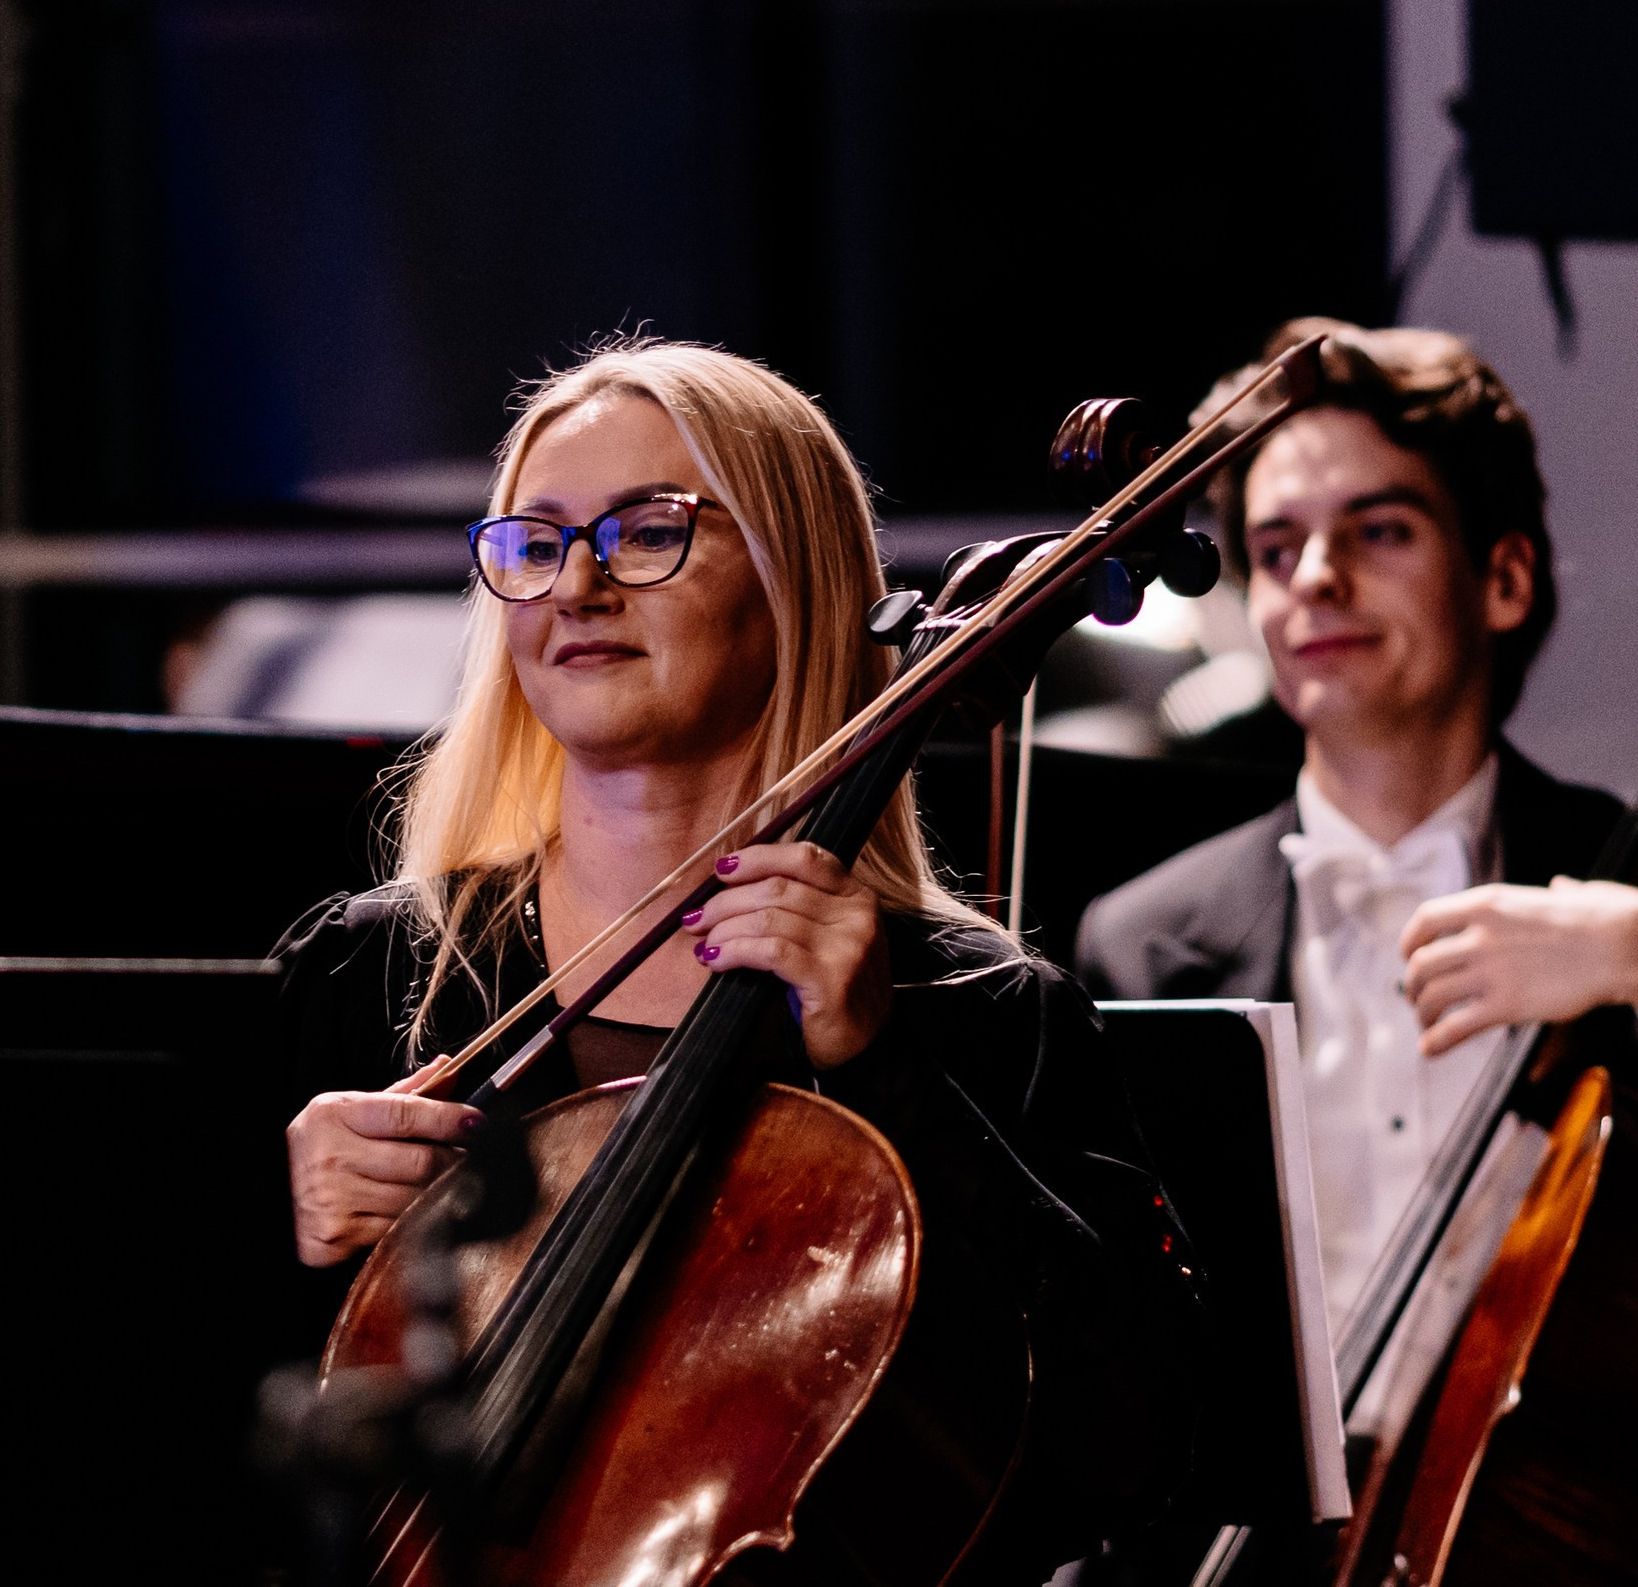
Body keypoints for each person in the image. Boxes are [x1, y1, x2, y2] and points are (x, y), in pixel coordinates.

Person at [1075, 319, 1638, 1584]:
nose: (1316, 579)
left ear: (1503, 576)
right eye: (1278, 548)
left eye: (1378, 530)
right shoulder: (1142, 938)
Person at [277, 340, 1198, 1583]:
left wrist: (890, 1074)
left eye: (648, 531)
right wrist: (287, 1240)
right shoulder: (377, 972)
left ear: (793, 581)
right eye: (536, 542)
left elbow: (1129, 1447)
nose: (580, 587)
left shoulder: (974, 1011)